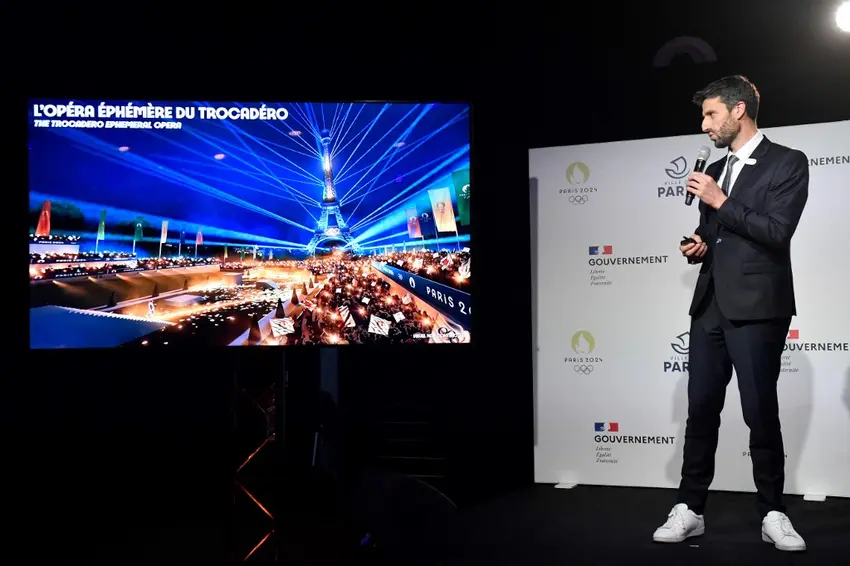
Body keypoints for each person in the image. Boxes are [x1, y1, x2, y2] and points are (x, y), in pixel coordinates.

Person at [652, 75, 809, 552]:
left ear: (739, 110)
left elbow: (776, 232)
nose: (705, 125)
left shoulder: (787, 162)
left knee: (759, 411)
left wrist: (720, 200)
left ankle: (773, 512)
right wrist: (699, 243)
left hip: (758, 306)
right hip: (710, 306)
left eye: (711, 114)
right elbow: (716, 230)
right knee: (700, 409)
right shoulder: (716, 168)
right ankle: (690, 508)